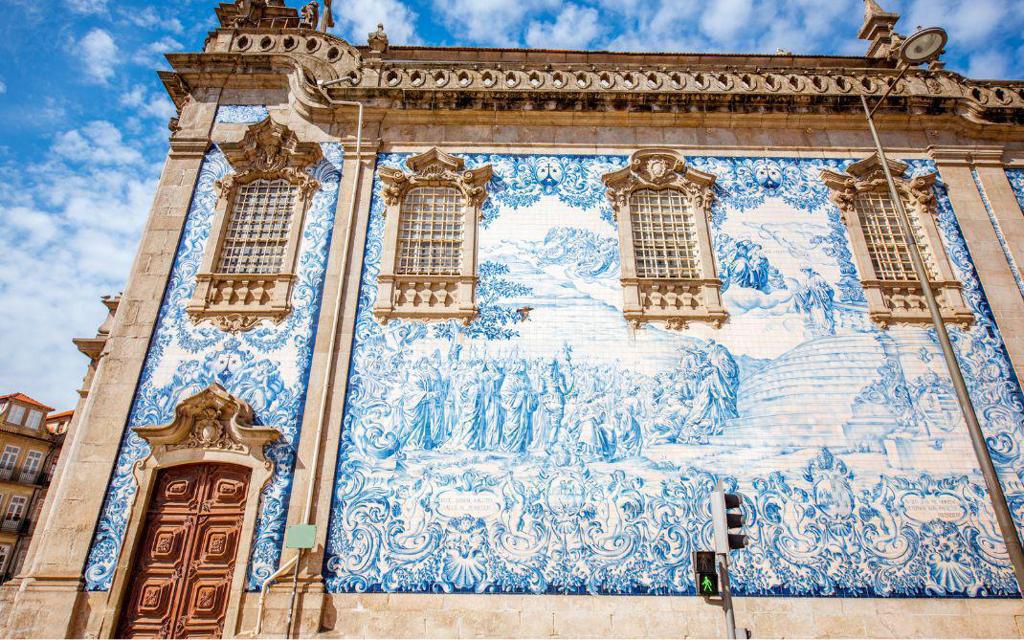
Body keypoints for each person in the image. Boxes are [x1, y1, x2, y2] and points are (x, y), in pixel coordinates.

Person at [500, 361, 537, 454]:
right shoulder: (509, 378)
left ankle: (521, 447)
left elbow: (530, 389)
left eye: (524, 364)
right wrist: (519, 395)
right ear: (516, 366)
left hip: (524, 407)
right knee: (512, 425)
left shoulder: (525, 377)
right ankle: (509, 447)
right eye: (521, 364)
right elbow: (505, 393)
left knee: (524, 425)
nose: (524, 367)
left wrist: (530, 394)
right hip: (514, 407)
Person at [794, 266, 836, 336]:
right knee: (818, 315)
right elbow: (807, 291)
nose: (804, 273)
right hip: (815, 301)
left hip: (822, 299)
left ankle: (829, 330)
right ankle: (822, 330)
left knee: (825, 315)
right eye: (803, 272)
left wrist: (819, 289)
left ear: (809, 270)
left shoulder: (817, 277)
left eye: (805, 271)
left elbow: (826, 287)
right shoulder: (808, 280)